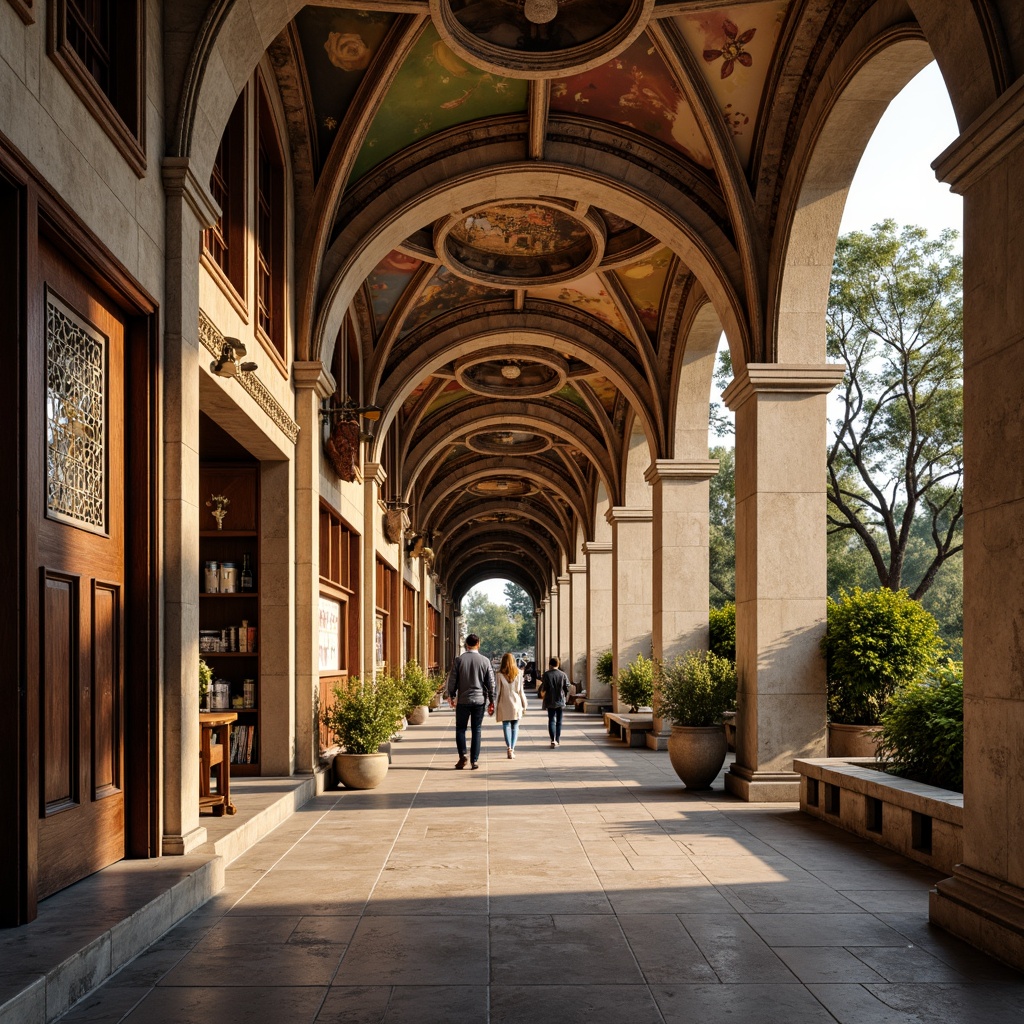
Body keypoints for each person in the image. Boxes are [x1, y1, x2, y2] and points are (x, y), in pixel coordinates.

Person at [446, 633, 495, 769]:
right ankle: (474, 760)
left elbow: (452, 680)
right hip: (479, 700)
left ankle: (463, 755)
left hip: (463, 700)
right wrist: (492, 700)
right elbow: (491, 683)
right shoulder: (485, 661)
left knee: (460, 729)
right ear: (478, 644)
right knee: (476, 730)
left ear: (466, 644)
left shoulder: (459, 660)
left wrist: (451, 695)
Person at [494, 652, 528, 758]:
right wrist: (524, 704)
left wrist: (495, 705)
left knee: (506, 725)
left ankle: (508, 747)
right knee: (515, 726)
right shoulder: (519, 673)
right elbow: (521, 691)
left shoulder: (499, 674)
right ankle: (512, 748)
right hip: (516, 702)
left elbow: (498, 691)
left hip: (504, 702)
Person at [538, 656, 570, 747]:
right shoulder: (563, 674)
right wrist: (566, 696)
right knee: (559, 721)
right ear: (558, 664)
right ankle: (558, 739)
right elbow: (567, 687)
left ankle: (552, 740)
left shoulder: (546, 674)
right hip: (560, 699)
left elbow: (544, 687)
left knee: (551, 719)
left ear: (550, 664)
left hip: (549, 699)